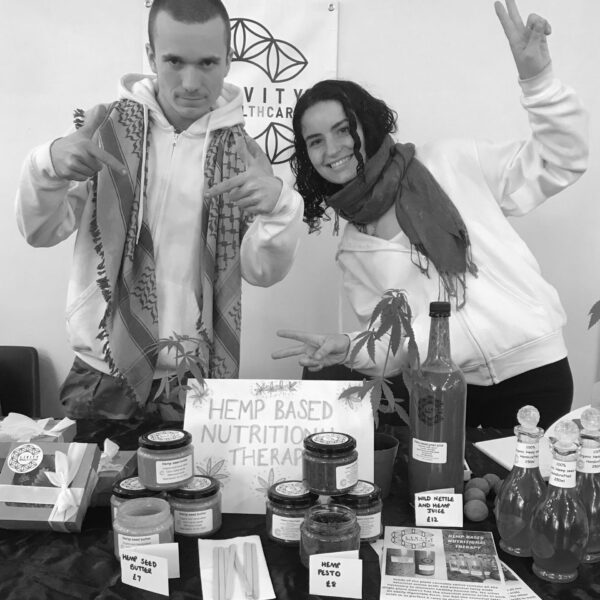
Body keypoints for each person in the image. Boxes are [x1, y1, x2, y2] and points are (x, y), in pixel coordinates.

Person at [272, 0, 589, 429]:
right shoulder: (354, 250)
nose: (332, 149)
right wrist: (347, 346)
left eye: (343, 129)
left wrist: (539, 82)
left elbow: (561, 160)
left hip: (536, 374)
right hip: (448, 389)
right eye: (315, 141)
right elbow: (395, 346)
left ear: (366, 125)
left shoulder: (451, 162)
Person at [16, 0, 303, 423]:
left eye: (207, 63)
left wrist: (280, 209)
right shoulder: (102, 132)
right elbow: (39, 231)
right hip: (101, 371)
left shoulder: (243, 157)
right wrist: (47, 165)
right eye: (174, 61)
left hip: (191, 378)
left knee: (193, 473)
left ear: (228, 60)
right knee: (92, 471)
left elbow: (262, 272)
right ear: (151, 57)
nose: (191, 82)